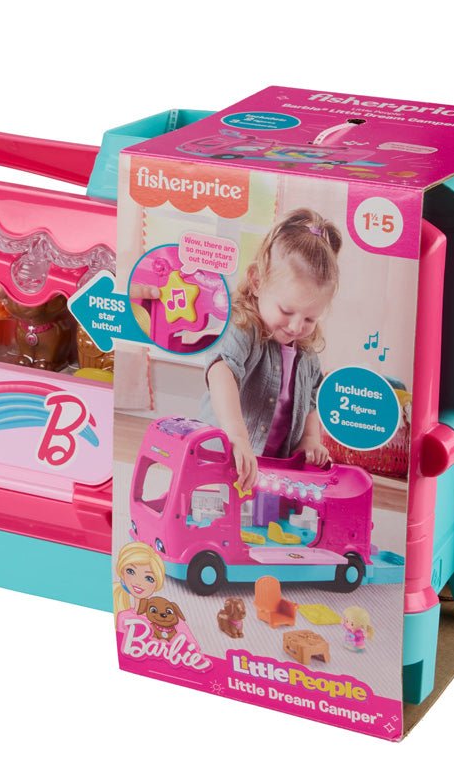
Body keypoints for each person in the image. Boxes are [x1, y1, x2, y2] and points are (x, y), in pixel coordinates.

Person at [200, 208, 341, 490]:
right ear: (256, 282)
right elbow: (221, 371)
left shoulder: (307, 354)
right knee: (219, 508)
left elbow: (312, 400)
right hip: (226, 457)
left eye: (310, 319)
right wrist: (236, 435)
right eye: (286, 311)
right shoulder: (242, 326)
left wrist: (310, 439)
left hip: (277, 467)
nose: (296, 326)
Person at [113, 542, 165, 630]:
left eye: (149, 578)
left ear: (157, 583)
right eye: (130, 571)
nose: (138, 582)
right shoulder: (123, 616)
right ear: (122, 572)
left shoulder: (165, 617)